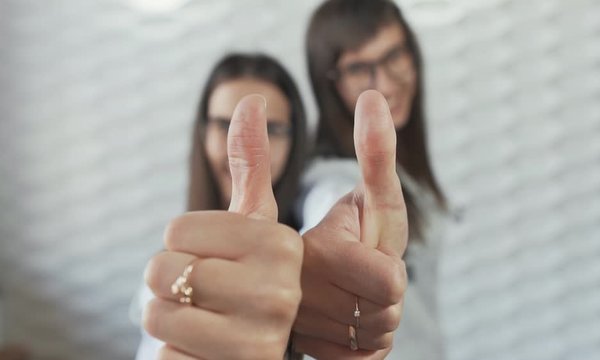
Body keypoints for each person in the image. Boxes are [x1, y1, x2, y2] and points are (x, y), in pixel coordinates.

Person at [295, 0, 448, 358]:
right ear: (328, 84)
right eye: (359, 68)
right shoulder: (335, 180)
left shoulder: (406, 167)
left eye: (394, 55)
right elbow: (332, 215)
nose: (385, 84)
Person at [136, 53, 308, 359]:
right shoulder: (166, 274)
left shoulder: (316, 262)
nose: (243, 145)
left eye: (272, 129)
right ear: (203, 133)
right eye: (224, 124)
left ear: (296, 140)